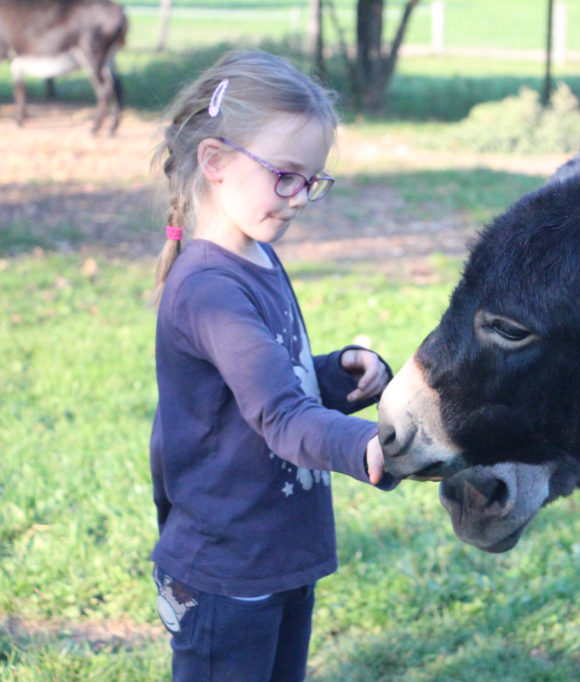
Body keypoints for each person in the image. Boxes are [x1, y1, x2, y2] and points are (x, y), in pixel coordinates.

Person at [148, 49, 398, 681]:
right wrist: (370, 444)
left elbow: (267, 381)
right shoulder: (209, 287)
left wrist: (340, 374)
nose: (299, 198)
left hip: (277, 552)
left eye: (312, 179)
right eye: (285, 175)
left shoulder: (256, 255)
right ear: (217, 162)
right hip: (226, 569)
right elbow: (281, 415)